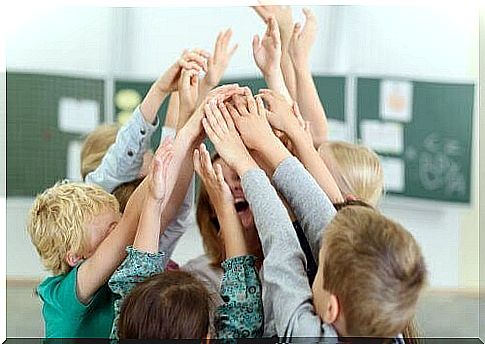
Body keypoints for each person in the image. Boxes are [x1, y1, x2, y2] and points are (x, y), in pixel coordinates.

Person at [201, 87, 427, 341]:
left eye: (319, 268)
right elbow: (330, 225)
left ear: (331, 308)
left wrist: (245, 164)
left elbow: (284, 250)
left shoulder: (306, 336)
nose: (314, 260)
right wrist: (269, 146)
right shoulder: (384, 321)